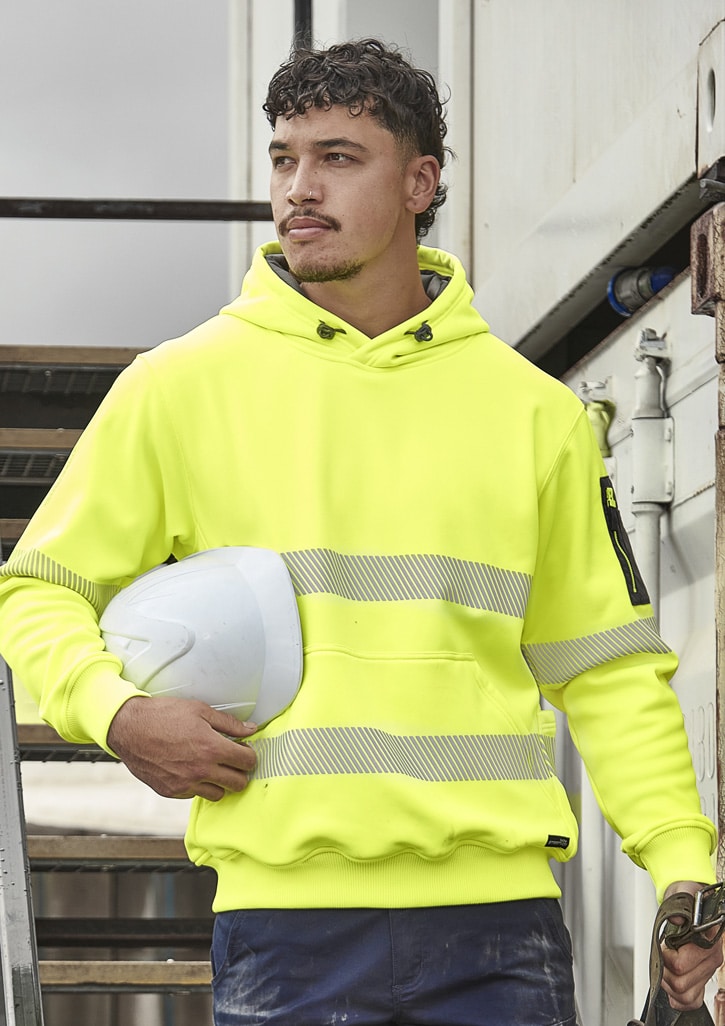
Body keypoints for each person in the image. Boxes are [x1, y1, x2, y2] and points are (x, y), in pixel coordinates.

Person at [0, 37, 721, 1026]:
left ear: (419, 182)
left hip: (496, 930)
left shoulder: (533, 415)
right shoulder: (178, 389)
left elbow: (605, 669)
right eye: (283, 158)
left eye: (337, 158)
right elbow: (38, 589)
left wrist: (680, 862)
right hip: (285, 930)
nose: (299, 188)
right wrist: (116, 714)